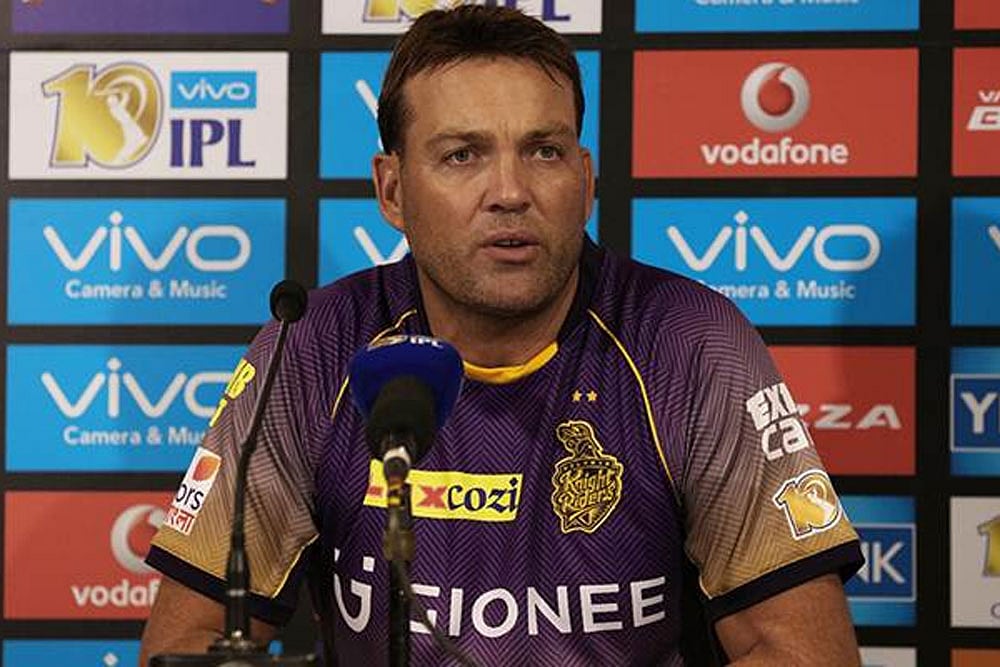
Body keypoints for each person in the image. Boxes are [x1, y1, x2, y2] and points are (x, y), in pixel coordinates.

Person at [139, 6, 863, 665]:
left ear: (586, 179)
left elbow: (808, 654)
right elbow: (182, 645)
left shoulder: (688, 342)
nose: (511, 192)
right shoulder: (316, 346)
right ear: (392, 190)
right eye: (463, 155)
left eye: (544, 151)